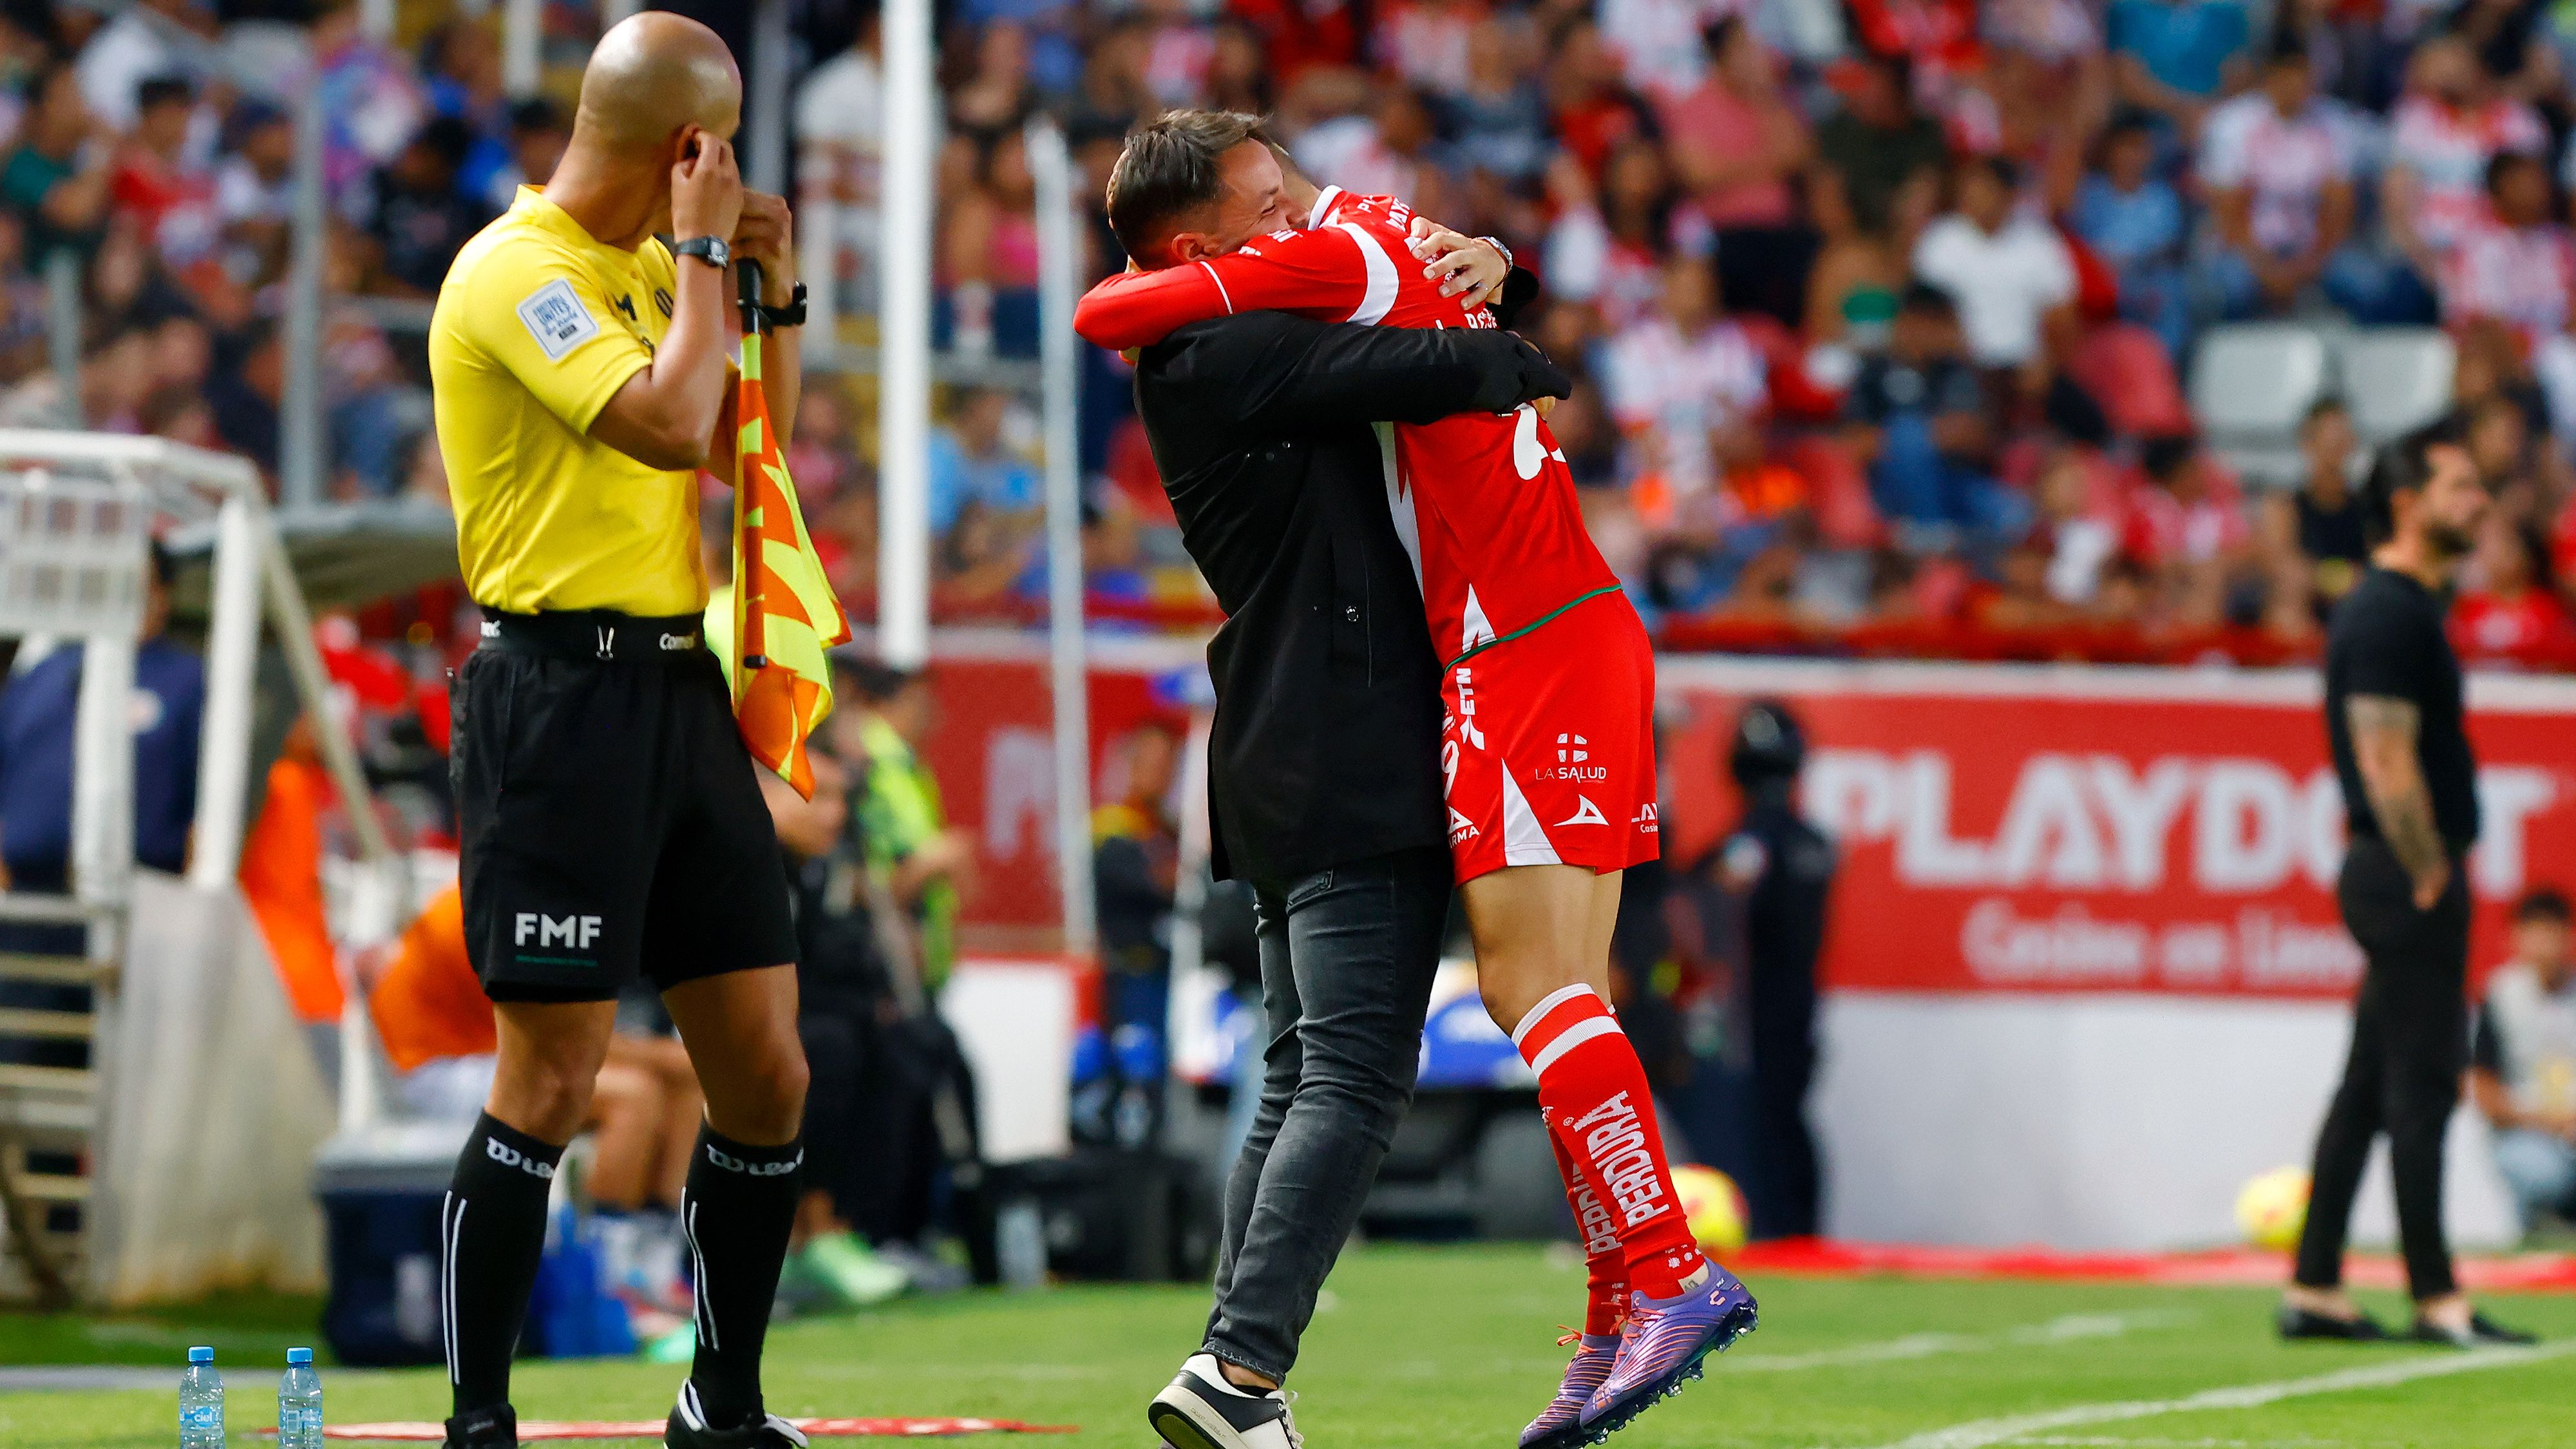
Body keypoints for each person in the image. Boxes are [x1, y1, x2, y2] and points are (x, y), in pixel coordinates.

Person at [1076, 111, 1754, 1449]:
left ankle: (1648, 1282)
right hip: (1472, 671)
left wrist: (1495, 277)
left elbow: (1417, 329)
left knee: (1484, 1010)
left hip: (1497, 656)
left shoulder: (1331, 257)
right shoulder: (1293, 291)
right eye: (1265, 204)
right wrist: (1499, 301)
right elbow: (1144, 309)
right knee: (1410, 1047)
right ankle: (1619, 1302)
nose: (1296, 215)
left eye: (1292, 193)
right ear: (1202, 243)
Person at [424, 14, 816, 1448]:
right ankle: (478, 1416)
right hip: (555, 703)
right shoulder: (514, 270)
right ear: (683, 151)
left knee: (767, 1070)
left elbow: (739, 439)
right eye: (711, 164)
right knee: (553, 1079)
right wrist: (710, 262)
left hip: (672, 687)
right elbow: (658, 425)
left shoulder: (662, 270)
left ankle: (721, 1403)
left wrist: (768, 289)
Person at [2283, 419, 2533, 1349]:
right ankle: (2437, 1295)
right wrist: (2429, 865)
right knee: (2421, 1087)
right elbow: (2384, 757)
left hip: (2398, 868)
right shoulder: (2388, 611)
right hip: (2404, 871)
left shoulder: (2407, 607)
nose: (2479, 503)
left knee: (2364, 1088)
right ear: (2407, 503)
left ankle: (2315, 1282)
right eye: (2461, 487)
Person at [1704, 702, 1833, 1240]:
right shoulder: (1817, 844)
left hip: (1748, 1016)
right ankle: (1798, 1231)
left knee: (1757, 1124)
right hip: (1797, 1007)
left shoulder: (1747, 847)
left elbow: (1708, 903)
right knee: (1787, 1120)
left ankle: (1775, 1229)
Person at [2470, 887, 2576, 1234]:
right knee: (2543, 1174)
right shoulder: (2501, 996)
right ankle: (2540, 1226)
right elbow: (2485, 1092)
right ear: (2516, 938)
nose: (2545, 943)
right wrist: (2549, 1122)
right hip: (2524, 1132)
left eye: (2552, 930)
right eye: (2535, 932)